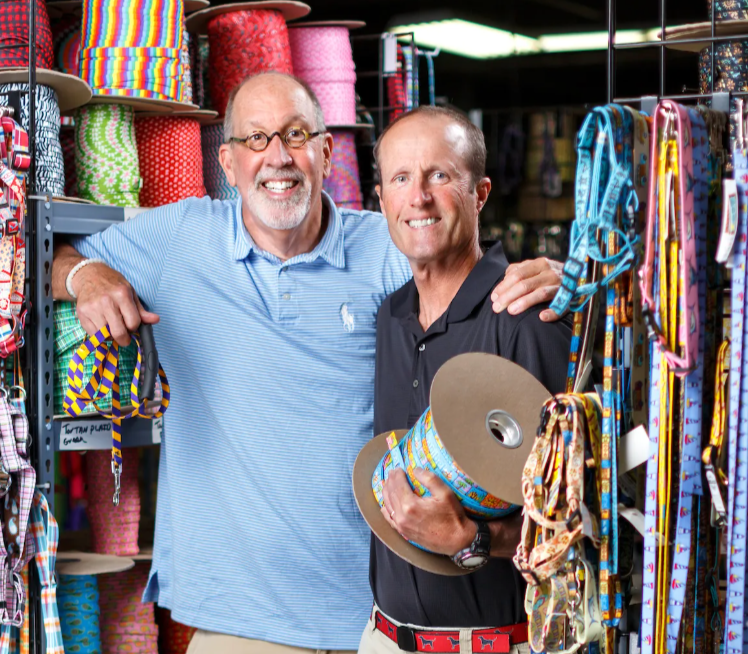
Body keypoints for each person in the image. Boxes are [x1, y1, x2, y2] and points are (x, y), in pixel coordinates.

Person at [52, 72, 562, 653]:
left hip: (376, 622)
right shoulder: (178, 239)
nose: (278, 157)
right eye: (257, 139)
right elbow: (37, 254)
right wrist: (82, 274)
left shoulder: (387, 254)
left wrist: (562, 280)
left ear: (324, 151)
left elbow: (457, 261)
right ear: (227, 160)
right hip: (236, 625)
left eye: (295, 135)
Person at [359, 105, 572, 654]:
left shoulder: (528, 318)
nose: (419, 198)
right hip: (384, 638)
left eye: (440, 176)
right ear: (381, 200)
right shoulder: (390, 317)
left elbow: (586, 521)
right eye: (401, 178)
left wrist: (474, 539)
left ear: (479, 194)